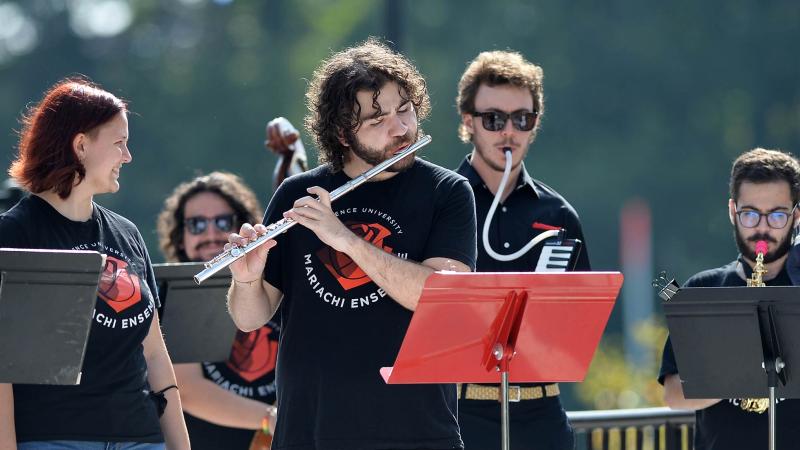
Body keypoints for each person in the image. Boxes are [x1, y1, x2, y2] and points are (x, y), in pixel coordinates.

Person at [226, 37, 478, 450]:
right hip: (311, 431)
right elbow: (249, 319)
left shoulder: (448, 191)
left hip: (416, 431)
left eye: (405, 110)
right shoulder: (299, 194)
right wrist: (247, 280)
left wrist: (344, 239)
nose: (400, 128)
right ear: (343, 134)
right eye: (377, 121)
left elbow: (440, 296)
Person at [0, 78, 190, 449]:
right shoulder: (13, 235)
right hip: (55, 439)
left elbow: (154, 354)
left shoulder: (127, 234)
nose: (128, 156)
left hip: (143, 438)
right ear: (81, 145)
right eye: (119, 143)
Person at [453, 50, 591, 450]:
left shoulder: (559, 212)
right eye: (493, 119)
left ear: (535, 124)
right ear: (468, 122)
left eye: (522, 119)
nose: (508, 132)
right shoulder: (438, 204)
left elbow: (580, 322)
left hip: (541, 411)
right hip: (460, 413)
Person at [155, 120, 305, 450]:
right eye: (196, 224)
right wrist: (278, 417)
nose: (210, 233)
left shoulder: (273, 282)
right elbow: (188, 390)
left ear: (242, 226)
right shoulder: (176, 293)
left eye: (223, 222)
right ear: (180, 236)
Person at [659, 148, 800, 450]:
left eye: (777, 215)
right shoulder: (703, 289)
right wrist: (742, 374)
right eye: (749, 214)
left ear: (796, 216)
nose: (762, 228)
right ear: (732, 212)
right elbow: (673, 394)